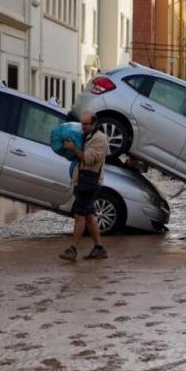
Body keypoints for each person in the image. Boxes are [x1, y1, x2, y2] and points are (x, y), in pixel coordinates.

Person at [59, 111, 109, 261]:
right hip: (81, 181)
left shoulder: (100, 140)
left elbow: (88, 159)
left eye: (86, 124)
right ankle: (99, 248)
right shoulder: (86, 136)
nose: (83, 127)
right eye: (82, 124)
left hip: (90, 183)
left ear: (94, 124)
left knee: (79, 214)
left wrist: (73, 148)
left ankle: (72, 249)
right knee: (88, 215)